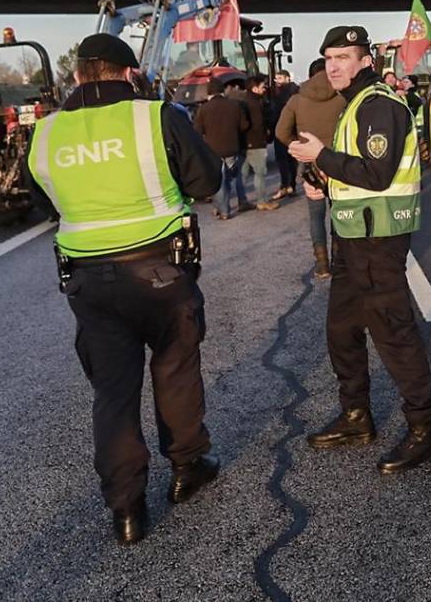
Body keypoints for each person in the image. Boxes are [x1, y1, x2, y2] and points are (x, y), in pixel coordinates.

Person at [24, 34, 223, 545]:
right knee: (174, 370)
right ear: (129, 73)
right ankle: (185, 470)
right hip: (160, 271)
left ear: (76, 76)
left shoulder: (45, 134)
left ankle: (127, 511)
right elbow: (206, 184)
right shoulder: (155, 116)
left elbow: (44, 205)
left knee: (113, 392)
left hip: (89, 281)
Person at [288, 26, 431, 473]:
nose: (334, 66)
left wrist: (320, 157)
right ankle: (356, 417)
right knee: (341, 330)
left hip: (378, 240)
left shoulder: (378, 105)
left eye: (343, 57)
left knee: (393, 334)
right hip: (353, 236)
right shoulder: (354, 103)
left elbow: (376, 173)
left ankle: (423, 429)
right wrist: (325, 182)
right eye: (329, 57)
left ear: (365, 60)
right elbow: (355, 172)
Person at [276, 58, 347, 278]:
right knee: (340, 214)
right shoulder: (343, 98)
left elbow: (280, 132)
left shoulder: (296, 100)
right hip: (340, 165)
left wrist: (296, 147)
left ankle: (322, 264)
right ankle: (339, 260)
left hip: (312, 168)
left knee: (316, 216)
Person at [193, 77, 250, 219]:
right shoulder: (235, 105)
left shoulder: (203, 109)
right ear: (223, 90)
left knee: (220, 181)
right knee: (231, 177)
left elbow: (197, 131)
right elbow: (244, 126)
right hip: (232, 148)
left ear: (208, 93)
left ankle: (223, 210)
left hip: (213, 151)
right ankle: (234, 203)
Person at [243, 75, 280, 211]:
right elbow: (258, 124)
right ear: (255, 88)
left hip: (244, 142)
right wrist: (266, 135)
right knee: (260, 173)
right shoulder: (256, 104)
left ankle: (241, 201)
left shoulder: (243, 100)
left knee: (243, 174)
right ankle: (262, 200)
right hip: (256, 142)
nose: (265, 89)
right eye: (262, 86)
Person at [269, 69, 300, 199]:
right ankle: (289, 185)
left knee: (286, 159)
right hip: (288, 129)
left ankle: (286, 185)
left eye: (280, 78)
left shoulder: (285, 93)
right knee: (288, 159)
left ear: (287, 78)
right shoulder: (293, 91)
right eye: (276, 79)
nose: (277, 81)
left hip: (284, 129)